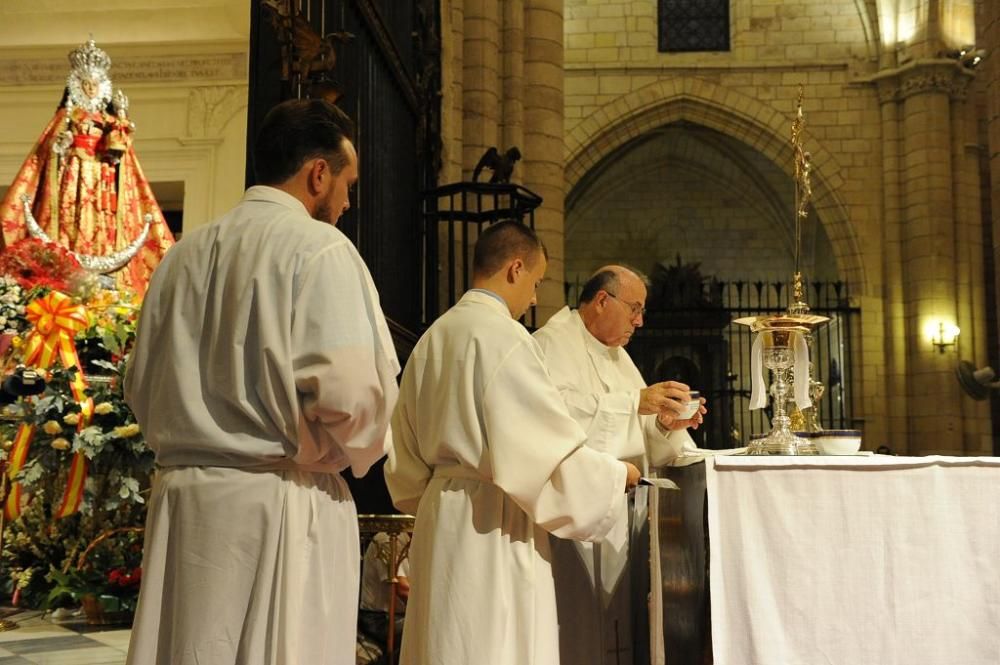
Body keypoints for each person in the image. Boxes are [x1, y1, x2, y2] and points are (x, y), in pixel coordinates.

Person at [123, 98, 400, 665]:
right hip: (279, 504)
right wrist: (361, 448)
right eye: (348, 183)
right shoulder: (320, 249)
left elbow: (140, 383)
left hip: (186, 502)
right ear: (317, 174)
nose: (349, 202)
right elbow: (350, 393)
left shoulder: (181, 256)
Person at [385, 221, 641, 665]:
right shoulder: (504, 338)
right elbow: (543, 450)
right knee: (492, 645)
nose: (536, 297)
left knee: (445, 643)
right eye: (537, 282)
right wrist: (617, 475)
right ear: (515, 269)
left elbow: (403, 463)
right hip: (492, 526)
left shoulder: (432, 338)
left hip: (438, 518)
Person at [533, 265, 707, 665]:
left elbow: (640, 433)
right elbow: (554, 421)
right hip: (573, 522)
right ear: (601, 301)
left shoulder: (618, 358)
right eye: (635, 308)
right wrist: (634, 403)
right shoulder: (550, 344)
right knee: (579, 630)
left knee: (619, 634)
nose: (639, 321)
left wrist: (665, 424)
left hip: (620, 519)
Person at [0, 39, 174, 295]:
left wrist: (121, 124)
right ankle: (67, 250)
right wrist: (64, 143)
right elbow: (51, 150)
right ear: (77, 85)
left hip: (103, 178)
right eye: (86, 84)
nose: (91, 89)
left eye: (95, 84)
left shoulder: (109, 120)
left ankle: (102, 250)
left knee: (103, 215)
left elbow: (119, 153)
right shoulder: (67, 117)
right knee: (71, 212)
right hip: (71, 177)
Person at [358, 531, 411, 664]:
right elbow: (402, 589)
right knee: (425, 630)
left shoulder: (415, 541)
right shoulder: (388, 538)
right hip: (378, 617)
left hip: (399, 615)